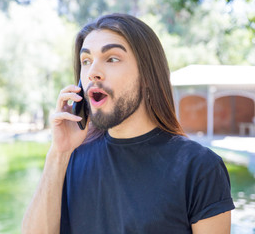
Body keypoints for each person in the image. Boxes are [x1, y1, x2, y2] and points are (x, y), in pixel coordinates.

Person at [22, 13, 235, 234]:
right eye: (86, 61)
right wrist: (58, 153)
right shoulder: (68, 157)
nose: (93, 72)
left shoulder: (200, 168)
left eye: (112, 58)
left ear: (147, 75)